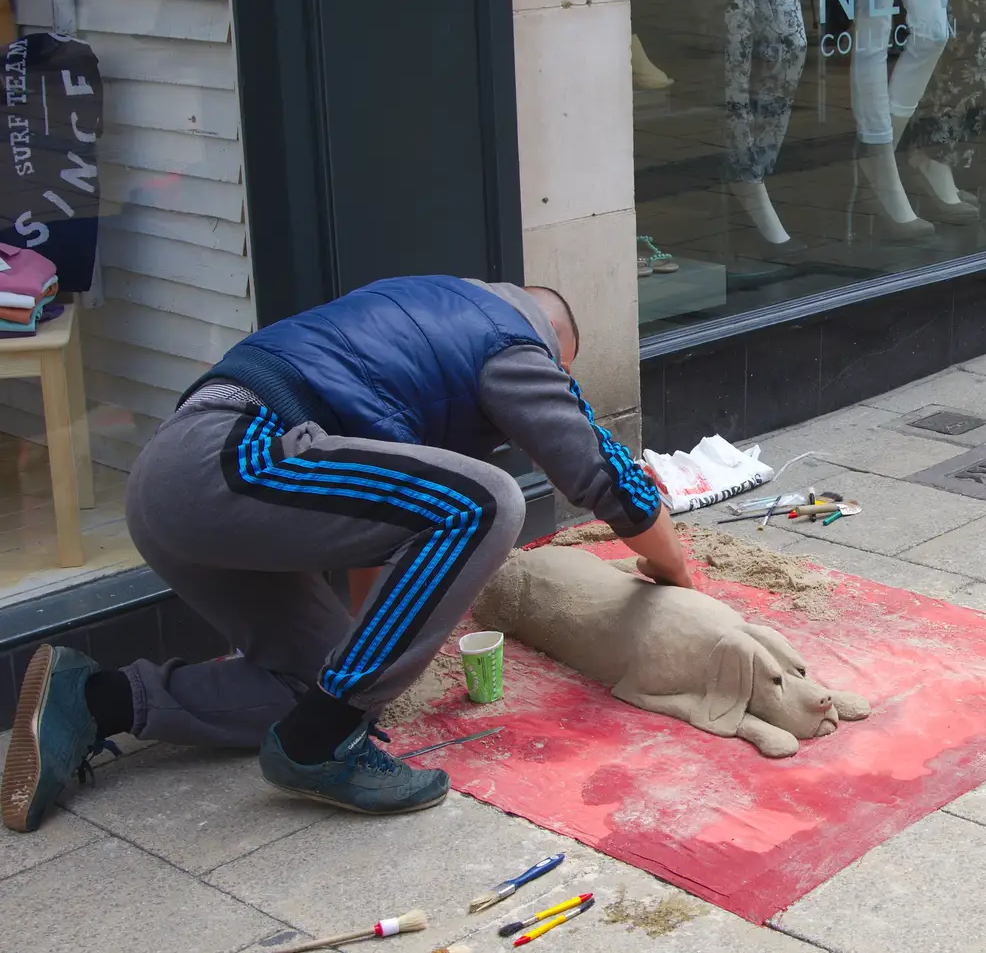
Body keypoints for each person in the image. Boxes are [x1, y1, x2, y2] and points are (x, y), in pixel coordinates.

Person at [2, 275, 694, 833]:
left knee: (320, 683)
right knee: (484, 503)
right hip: (228, 457)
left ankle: (95, 699)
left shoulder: (428, 308)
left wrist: (383, 663)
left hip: (176, 481)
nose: (554, 380)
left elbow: (385, 539)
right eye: (559, 370)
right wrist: (674, 571)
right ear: (555, 346)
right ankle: (318, 747)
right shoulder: (512, 339)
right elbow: (601, 473)